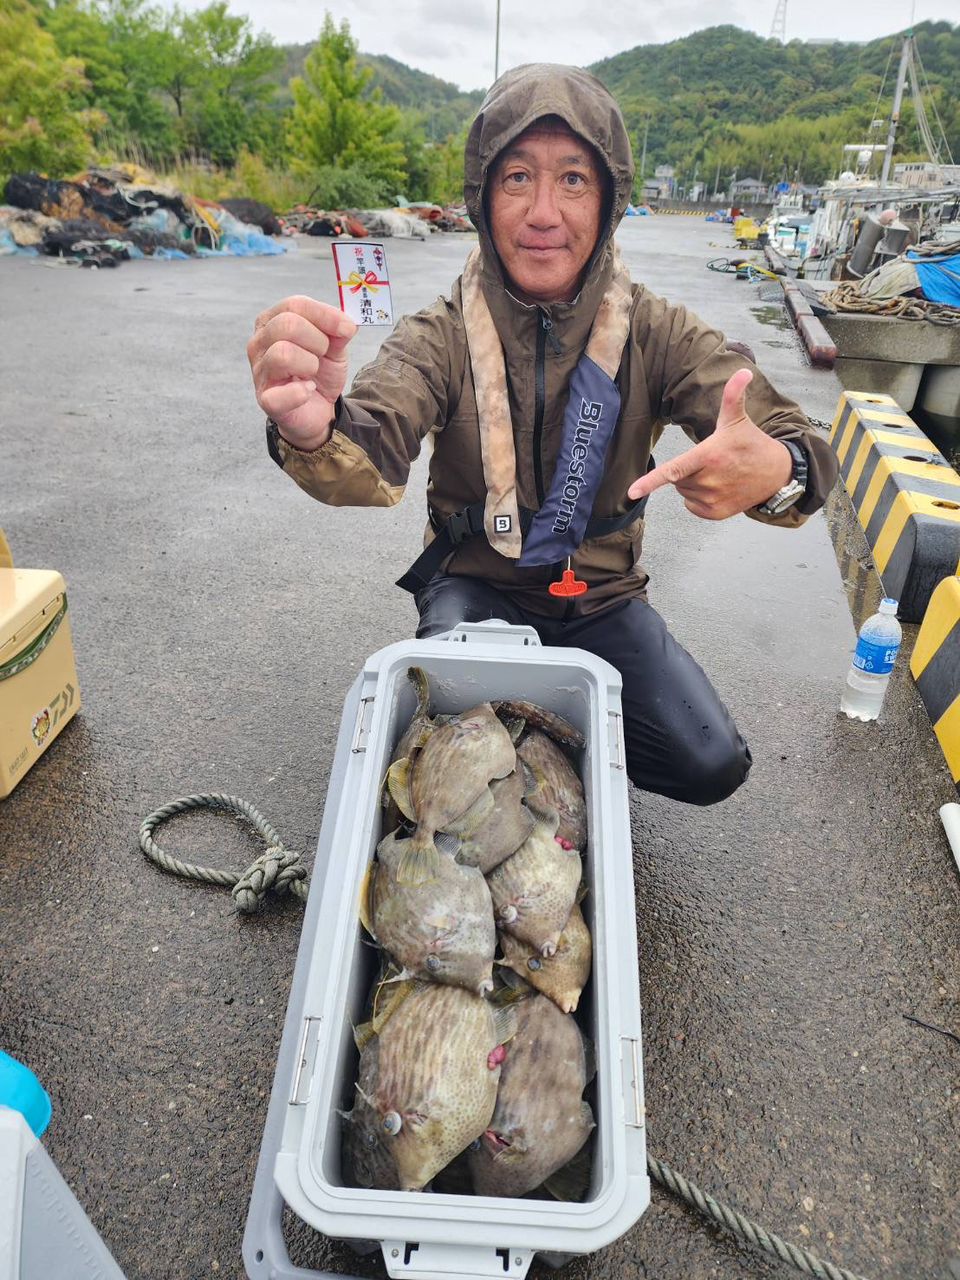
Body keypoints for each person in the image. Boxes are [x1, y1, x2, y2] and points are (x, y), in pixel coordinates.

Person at [247, 64, 838, 807]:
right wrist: (309, 429)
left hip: (601, 598)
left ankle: (544, 738)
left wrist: (778, 467)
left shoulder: (656, 330)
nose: (543, 212)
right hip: (477, 585)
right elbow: (371, 444)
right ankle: (530, 747)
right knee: (442, 784)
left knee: (710, 764)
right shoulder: (439, 333)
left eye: (574, 181)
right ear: (484, 196)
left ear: (611, 198)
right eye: (518, 177)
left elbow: (790, 435)